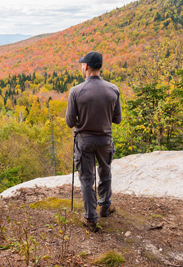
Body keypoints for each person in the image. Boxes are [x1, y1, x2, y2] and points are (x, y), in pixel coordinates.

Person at [66, 51, 122, 232]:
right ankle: (105, 206)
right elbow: (117, 119)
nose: (82, 67)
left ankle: (91, 218)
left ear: (86, 67)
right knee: (105, 171)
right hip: (105, 139)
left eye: (83, 65)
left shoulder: (75, 91)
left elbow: (70, 122)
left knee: (86, 178)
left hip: (84, 141)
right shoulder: (113, 89)